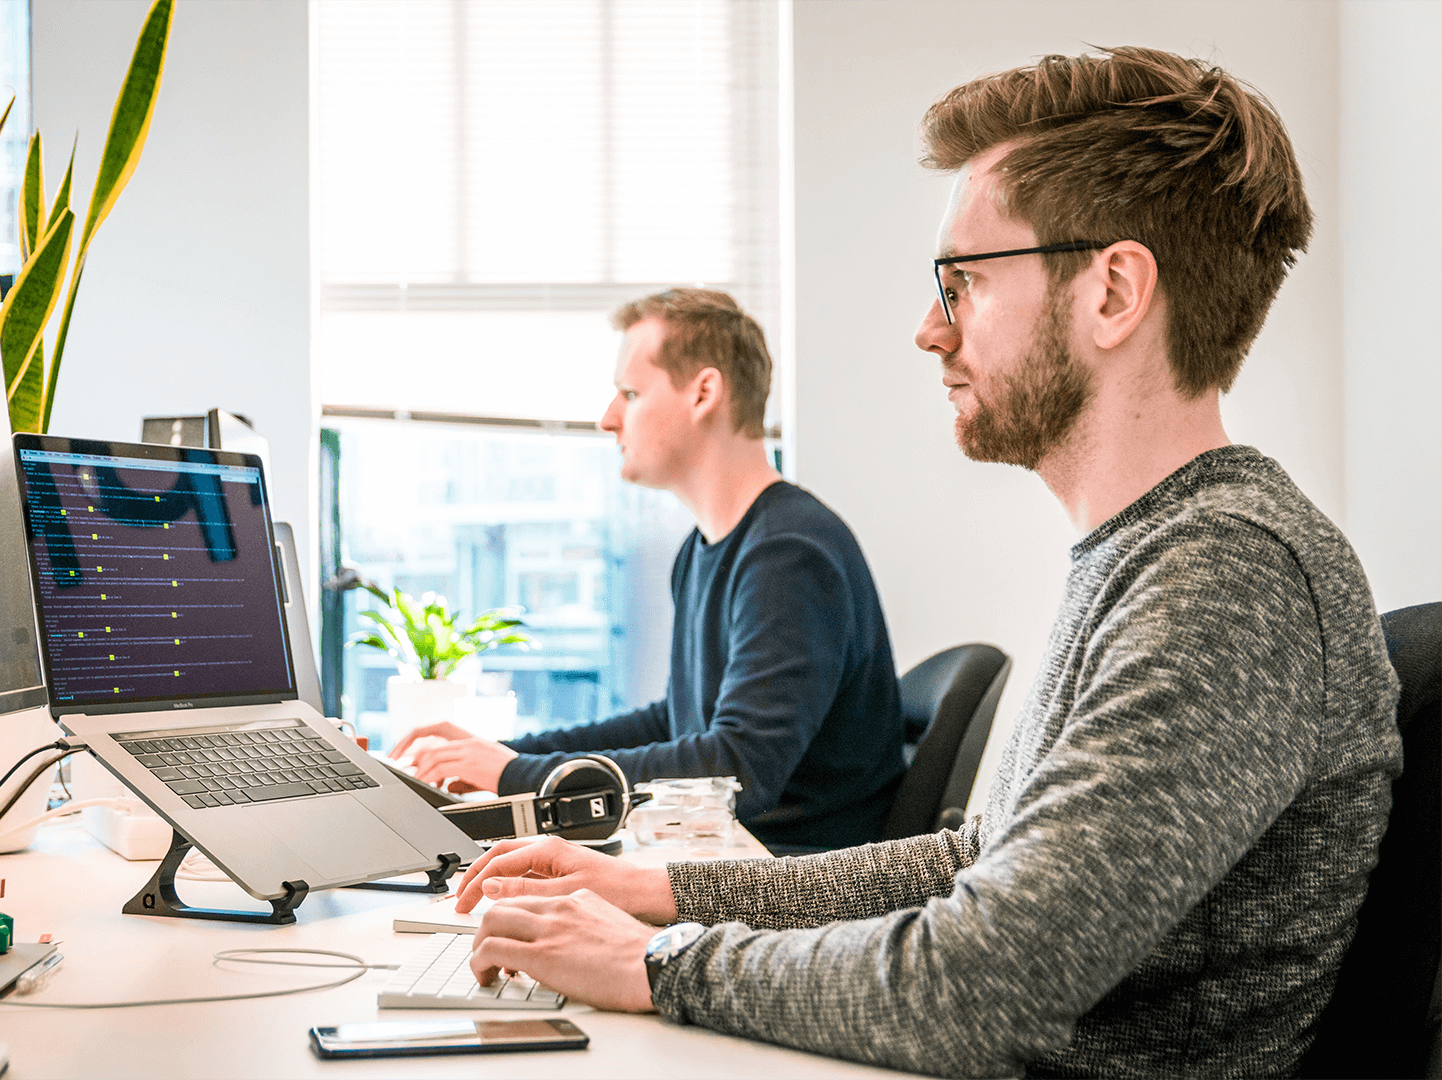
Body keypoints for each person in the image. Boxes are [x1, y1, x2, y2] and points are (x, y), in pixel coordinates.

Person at [443, 47, 1403, 1077]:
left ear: (1114, 292)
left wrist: (657, 962)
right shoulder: (1153, 552)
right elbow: (974, 862)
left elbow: (978, 984)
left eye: (964, 283)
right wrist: (664, 893)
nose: (928, 329)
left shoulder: (1227, 576)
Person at [390, 288, 905, 854]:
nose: (608, 418)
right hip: (724, 855)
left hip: (788, 880)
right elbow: (675, 723)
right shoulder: (705, 549)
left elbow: (738, 772)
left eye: (630, 393)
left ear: (703, 393)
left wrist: (518, 776)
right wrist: (505, 755)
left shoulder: (789, 555)